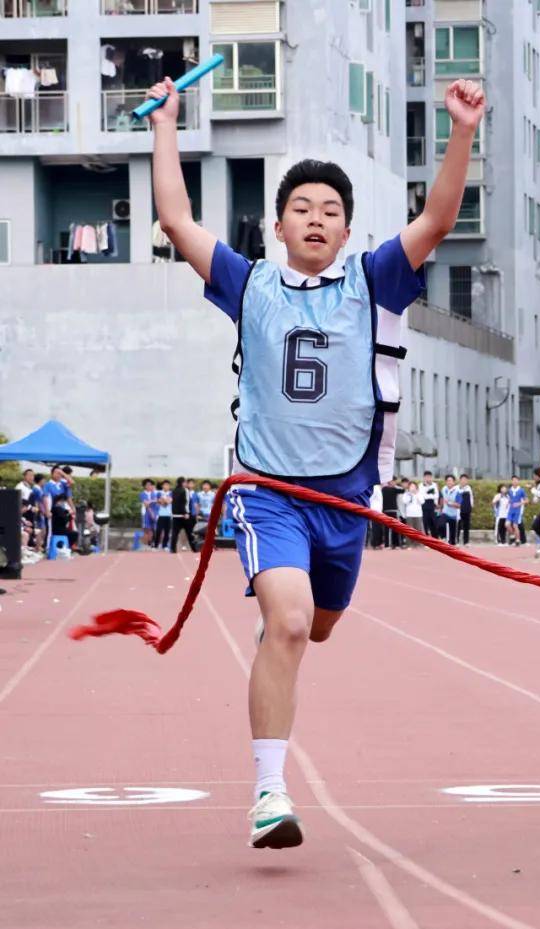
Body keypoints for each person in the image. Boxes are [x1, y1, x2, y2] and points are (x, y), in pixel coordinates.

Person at [144, 72, 485, 848]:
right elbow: (174, 216)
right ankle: (269, 790)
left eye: (331, 211)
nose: (316, 218)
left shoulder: (374, 282)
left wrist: (461, 130)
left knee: (318, 625)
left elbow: (435, 220)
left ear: (346, 229)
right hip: (268, 492)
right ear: (278, 224)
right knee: (290, 622)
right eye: (302, 208)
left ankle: (288, 630)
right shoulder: (248, 281)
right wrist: (166, 124)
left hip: (347, 501)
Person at [169, 476, 197, 553]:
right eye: (185, 482)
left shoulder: (174, 490)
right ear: (182, 483)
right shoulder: (185, 490)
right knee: (189, 532)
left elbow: (174, 503)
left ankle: (172, 549)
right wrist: (186, 513)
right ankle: (194, 548)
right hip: (184, 515)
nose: (186, 484)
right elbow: (186, 503)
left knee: (175, 533)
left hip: (175, 515)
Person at [380, 476, 404, 549]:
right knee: (387, 529)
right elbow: (403, 490)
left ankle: (395, 544)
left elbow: (402, 490)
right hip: (387, 511)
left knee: (395, 528)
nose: (394, 483)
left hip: (393, 511)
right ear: (389, 481)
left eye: (395, 481)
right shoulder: (387, 489)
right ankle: (388, 545)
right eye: (393, 481)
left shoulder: (390, 489)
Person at [440, 474, 462, 544]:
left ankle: (452, 544)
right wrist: (440, 506)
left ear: (454, 482)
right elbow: (442, 499)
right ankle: (443, 537)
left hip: (453, 515)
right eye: (447, 481)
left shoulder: (457, 491)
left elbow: (459, 505)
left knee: (452, 537)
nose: (449, 482)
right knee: (440, 524)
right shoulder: (443, 489)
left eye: (451, 481)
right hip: (445, 513)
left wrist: (450, 503)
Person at [418, 470, 440, 536]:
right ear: (424, 477)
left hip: (432, 504)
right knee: (425, 522)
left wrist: (428, 495)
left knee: (433, 522)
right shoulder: (421, 485)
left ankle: (435, 538)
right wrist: (430, 494)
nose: (428, 478)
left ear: (431, 477)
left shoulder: (434, 485)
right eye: (426, 477)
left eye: (429, 477)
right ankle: (426, 538)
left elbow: (436, 495)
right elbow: (421, 495)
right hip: (424, 505)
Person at [506, 475, 527, 545]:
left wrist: (519, 503)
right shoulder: (509, 490)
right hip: (510, 509)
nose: (514, 481)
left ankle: (517, 540)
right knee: (507, 524)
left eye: (516, 480)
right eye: (513, 480)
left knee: (515, 526)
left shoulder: (521, 490)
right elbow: (510, 498)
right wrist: (508, 503)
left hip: (517, 510)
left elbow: (526, 500)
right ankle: (512, 535)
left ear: (518, 481)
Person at [153, 480, 173, 551]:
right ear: (162, 486)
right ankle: (156, 545)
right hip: (160, 514)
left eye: (168, 485)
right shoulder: (159, 493)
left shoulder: (171, 493)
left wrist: (164, 500)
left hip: (168, 514)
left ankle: (165, 545)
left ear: (169, 486)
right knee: (158, 531)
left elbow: (169, 501)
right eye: (165, 485)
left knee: (167, 531)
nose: (166, 486)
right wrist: (164, 500)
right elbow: (160, 501)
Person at [139, 479, 159, 549]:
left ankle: (151, 543)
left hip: (155, 513)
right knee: (147, 529)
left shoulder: (154, 493)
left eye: (150, 485)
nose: (149, 486)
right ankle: (145, 545)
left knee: (154, 529)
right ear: (145, 486)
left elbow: (158, 501)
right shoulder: (142, 494)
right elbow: (146, 504)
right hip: (145, 513)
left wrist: (151, 501)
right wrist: (151, 512)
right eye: (148, 485)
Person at [457, 474, 473, 545]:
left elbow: (471, 498)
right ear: (460, 480)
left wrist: (471, 506)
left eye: (465, 480)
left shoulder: (469, 488)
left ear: (467, 481)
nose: (464, 481)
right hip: (458, 509)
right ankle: (456, 540)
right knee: (458, 525)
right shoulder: (456, 488)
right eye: (462, 479)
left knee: (466, 526)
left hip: (467, 509)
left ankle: (466, 542)